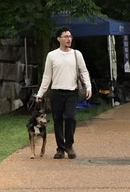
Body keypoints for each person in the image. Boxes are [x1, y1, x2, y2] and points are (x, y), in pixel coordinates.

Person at [35, 26, 92, 159]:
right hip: (56, 92)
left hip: (72, 92)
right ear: (59, 38)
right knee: (58, 119)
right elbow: (47, 76)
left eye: (70, 36)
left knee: (70, 117)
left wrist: (88, 87)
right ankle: (60, 148)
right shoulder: (52, 55)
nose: (69, 39)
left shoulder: (77, 54)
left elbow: (84, 71)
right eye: (66, 36)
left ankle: (69, 145)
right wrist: (40, 93)